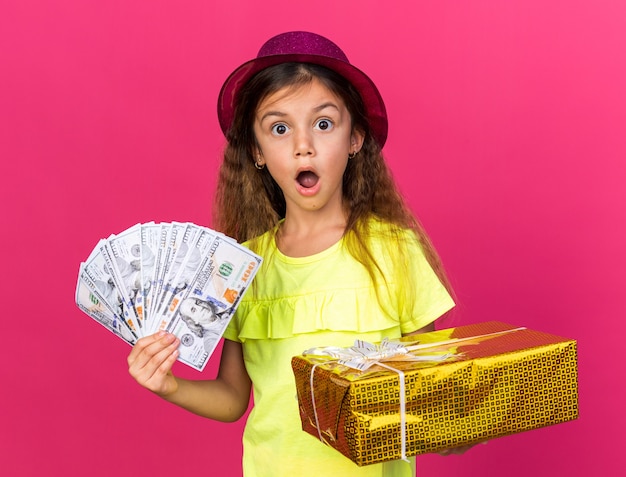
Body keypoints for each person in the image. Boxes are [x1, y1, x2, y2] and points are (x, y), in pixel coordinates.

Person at [128, 31, 459, 476]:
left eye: (323, 124)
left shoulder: (393, 250)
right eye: (279, 128)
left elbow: (432, 389)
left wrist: (453, 426)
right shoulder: (240, 268)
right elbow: (231, 399)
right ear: (257, 151)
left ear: (355, 138)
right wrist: (168, 386)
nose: (303, 144)